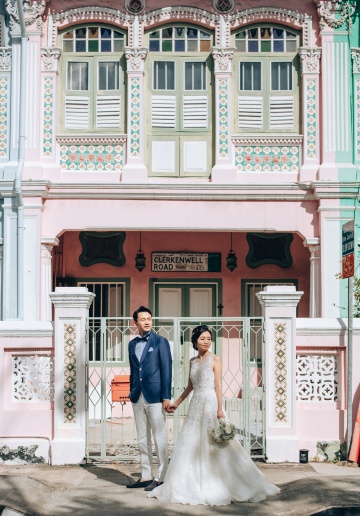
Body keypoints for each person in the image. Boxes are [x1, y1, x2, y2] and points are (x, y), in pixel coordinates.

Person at [148, 325, 280, 506]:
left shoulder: (215, 359)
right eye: (202, 338)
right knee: (191, 441)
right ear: (195, 341)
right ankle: (190, 482)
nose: (206, 341)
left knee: (215, 443)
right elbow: (190, 386)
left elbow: (218, 385)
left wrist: (220, 409)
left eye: (209, 338)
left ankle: (225, 480)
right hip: (196, 404)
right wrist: (177, 403)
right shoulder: (193, 361)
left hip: (210, 403)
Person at [127, 306, 172, 491]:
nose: (147, 322)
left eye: (149, 319)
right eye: (143, 319)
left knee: (159, 436)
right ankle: (146, 476)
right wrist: (132, 391)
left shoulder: (160, 341)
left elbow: (166, 369)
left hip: (155, 396)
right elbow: (133, 370)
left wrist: (166, 397)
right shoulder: (131, 344)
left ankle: (161, 477)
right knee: (142, 438)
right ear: (135, 322)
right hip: (138, 396)